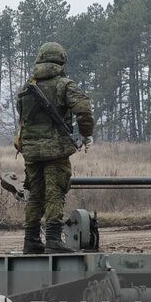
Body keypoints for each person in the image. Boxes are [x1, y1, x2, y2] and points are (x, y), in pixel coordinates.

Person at [14, 42, 95, 254]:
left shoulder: (26, 88)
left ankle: (30, 240)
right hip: (55, 150)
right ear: (61, 60)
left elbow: (22, 118)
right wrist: (86, 134)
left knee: (35, 194)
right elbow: (84, 109)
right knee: (55, 192)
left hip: (30, 151)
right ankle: (52, 239)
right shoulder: (64, 85)